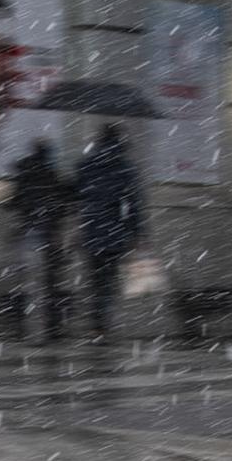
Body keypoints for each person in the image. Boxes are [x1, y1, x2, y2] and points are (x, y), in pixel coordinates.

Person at [73, 123, 146, 341]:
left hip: (91, 230)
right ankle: (103, 325)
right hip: (115, 231)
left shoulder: (86, 165)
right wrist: (137, 232)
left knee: (95, 278)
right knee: (108, 280)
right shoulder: (125, 167)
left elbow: (78, 195)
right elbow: (133, 204)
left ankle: (96, 324)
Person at [7, 139, 71, 342]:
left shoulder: (24, 172)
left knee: (26, 282)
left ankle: (23, 326)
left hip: (28, 233)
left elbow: (14, 202)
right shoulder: (51, 175)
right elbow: (60, 204)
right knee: (49, 283)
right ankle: (49, 328)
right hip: (48, 235)